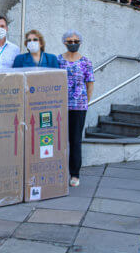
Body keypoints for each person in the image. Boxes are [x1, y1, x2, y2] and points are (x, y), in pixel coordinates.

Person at [57, 29, 94, 188]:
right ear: (64, 42)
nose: (73, 44)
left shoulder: (86, 62)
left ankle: (74, 174)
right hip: (60, 106)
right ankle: (57, 170)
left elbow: (90, 83)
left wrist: (86, 102)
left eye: (76, 41)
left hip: (78, 107)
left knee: (75, 140)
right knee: (58, 139)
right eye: (70, 41)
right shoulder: (58, 60)